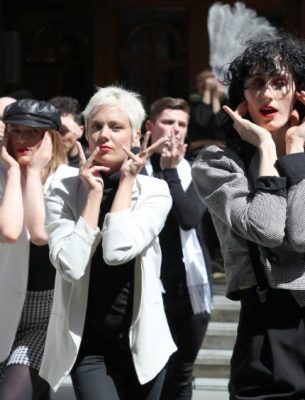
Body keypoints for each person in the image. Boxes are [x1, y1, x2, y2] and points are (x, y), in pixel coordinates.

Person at [192, 32, 305, 399]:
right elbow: (267, 228)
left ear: (301, 95)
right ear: (241, 97)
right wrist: (263, 148)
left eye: (279, 83)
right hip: (265, 325)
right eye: (256, 84)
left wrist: (292, 147)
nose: (267, 94)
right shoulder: (216, 164)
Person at [39, 86, 175, 400]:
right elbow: (71, 266)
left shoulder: (154, 191)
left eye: (116, 127)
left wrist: (127, 180)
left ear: (137, 136)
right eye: (96, 126)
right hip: (89, 345)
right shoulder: (62, 184)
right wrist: (92, 198)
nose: (104, 135)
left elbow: (116, 251)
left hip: (143, 346)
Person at [0, 99, 70, 400]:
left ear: (50, 138)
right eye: (16, 131)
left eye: (33, 132)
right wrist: (15, 172)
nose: (23, 140)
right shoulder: (4, 178)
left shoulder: (67, 180)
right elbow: (10, 231)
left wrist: (32, 173)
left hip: (47, 315)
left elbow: (41, 233)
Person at [144, 97, 213, 400]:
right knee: (150, 375)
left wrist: (170, 172)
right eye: (167, 122)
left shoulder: (198, 172)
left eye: (181, 124)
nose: (174, 130)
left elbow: (189, 217)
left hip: (188, 292)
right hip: (146, 290)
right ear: (150, 126)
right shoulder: (136, 171)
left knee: (181, 376)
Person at [187, 69, 227, 154]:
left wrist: (216, 99)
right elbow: (202, 122)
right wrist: (207, 93)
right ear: (196, 86)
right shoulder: (191, 107)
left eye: (211, 78)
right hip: (198, 154)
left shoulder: (227, 105)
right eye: (201, 80)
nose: (207, 82)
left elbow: (221, 132)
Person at [48, 96, 86, 167]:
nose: (57, 138)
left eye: (63, 131)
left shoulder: (92, 162)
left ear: (80, 131)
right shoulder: (39, 162)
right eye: (52, 132)